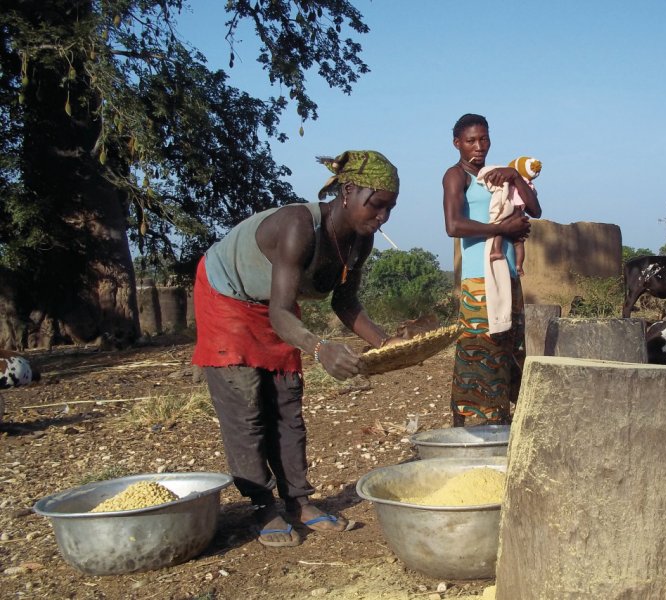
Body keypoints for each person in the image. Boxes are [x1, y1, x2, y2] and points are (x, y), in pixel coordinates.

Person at [191, 150, 402, 548]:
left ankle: (299, 501)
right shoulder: (298, 226)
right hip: (228, 297)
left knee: (287, 402)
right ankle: (262, 505)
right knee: (246, 407)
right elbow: (282, 312)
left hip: (277, 307)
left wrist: (387, 344)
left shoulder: (361, 240)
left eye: (390, 208)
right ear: (349, 190)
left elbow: (345, 302)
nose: (383, 217)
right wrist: (319, 347)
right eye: (377, 205)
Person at [442, 114, 542, 426]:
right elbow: (453, 225)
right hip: (478, 279)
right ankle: (464, 421)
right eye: (470, 140)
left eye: (483, 139)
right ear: (457, 143)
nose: (478, 146)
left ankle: (502, 417)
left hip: (508, 274)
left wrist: (514, 175)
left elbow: (535, 210)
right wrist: (502, 227)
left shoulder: (498, 174)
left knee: (510, 346)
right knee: (477, 347)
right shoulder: (456, 176)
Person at [488, 156, 542, 277]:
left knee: (500, 229)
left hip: (511, 213)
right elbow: (532, 200)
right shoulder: (528, 185)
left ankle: (496, 250)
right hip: (521, 214)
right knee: (519, 242)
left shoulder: (512, 181)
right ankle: (519, 265)